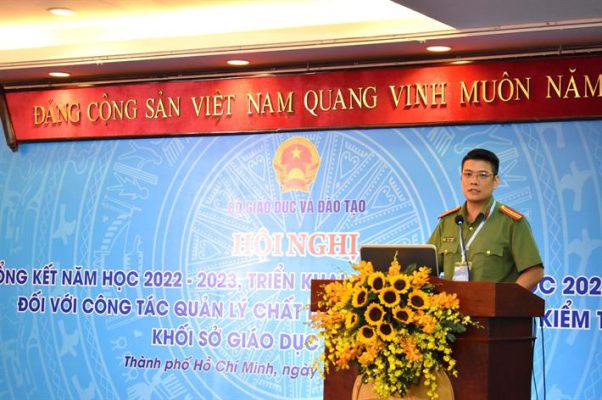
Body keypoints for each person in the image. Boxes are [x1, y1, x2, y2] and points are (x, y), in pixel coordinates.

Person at [428, 148, 543, 290]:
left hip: (494, 304)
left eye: (482, 175)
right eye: (468, 174)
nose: (473, 181)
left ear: (495, 181)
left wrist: (507, 298)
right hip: (450, 304)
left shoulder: (511, 222)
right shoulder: (448, 221)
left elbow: (534, 272)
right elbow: (426, 269)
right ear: (461, 179)